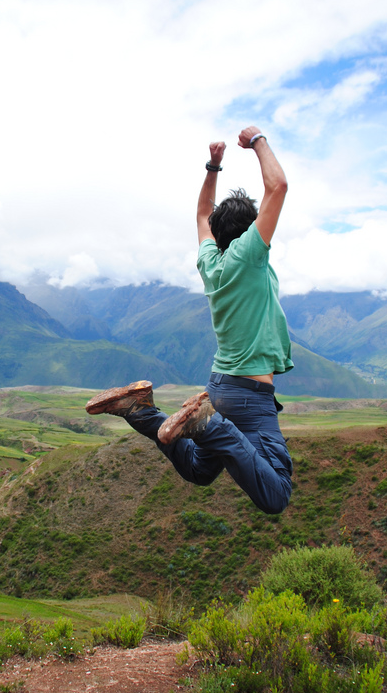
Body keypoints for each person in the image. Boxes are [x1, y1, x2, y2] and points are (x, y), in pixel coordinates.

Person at [85, 125, 294, 515]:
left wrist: (213, 166)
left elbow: (202, 212)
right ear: (252, 230)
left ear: (216, 233)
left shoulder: (210, 261)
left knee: (200, 470)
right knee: (276, 494)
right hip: (249, 396)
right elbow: (277, 187)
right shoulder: (251, 254)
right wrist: (258, 142)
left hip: (221, 386)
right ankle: (210, 425)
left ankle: (142, 410)